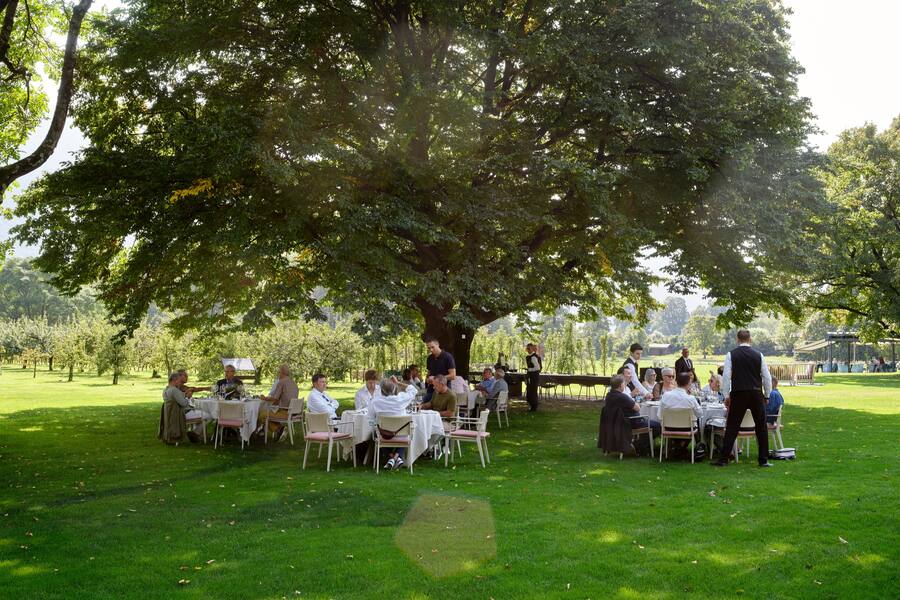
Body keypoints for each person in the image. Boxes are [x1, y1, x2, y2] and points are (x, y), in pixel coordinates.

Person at [713, 329, 773, 467]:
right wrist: (767, 394)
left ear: (737, 340)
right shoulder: (759, 355)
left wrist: (726, 395)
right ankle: (763, 460)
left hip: (739, 393)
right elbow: (766, 377)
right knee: (761, 427)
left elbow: (727, 376)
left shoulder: (731, 355)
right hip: (756, 392)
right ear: (750, 339)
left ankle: (724, 459)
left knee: (732, 426)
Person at [598, 374, 659, 456]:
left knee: (650, 423)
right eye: (624, 383)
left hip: (616, 423)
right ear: (620, 386)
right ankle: (638, 446)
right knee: (657, 426)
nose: (625, 384)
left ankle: (641, 446)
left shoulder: (609, 396)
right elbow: (637, 408)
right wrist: (637, 401)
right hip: (630, 422)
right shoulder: (622, 397)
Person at [371, 377, 419, 470]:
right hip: (402, 435)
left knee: (378, 432)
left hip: (384, 436)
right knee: (407, 432)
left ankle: (391, 458)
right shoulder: (401, 399)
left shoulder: (376, 401)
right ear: (394, 388)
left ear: (381, 390)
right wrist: (398, 382)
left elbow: (370, 418)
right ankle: (397, 457)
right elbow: (413, 390)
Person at [660, 372, 703, 451]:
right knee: (695, 424)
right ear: (689, 383)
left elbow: (659, 415)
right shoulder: (691, 399)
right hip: (686, 429)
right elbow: (700, 414)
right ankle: (681, 448)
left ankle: (677, 447)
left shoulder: (666, 396)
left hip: (668, 428)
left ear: (676, 382)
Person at [258, 364, 300, 438]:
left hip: (285, 412)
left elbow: (275, 398)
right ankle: (280, 429)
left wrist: (264, 398)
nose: (278, 374)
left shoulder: (281, 382)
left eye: (278, 372)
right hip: (294, 412)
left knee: (262, 415)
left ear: (282, 373)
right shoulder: (293, 383)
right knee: (270, 414)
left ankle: (279, 429)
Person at [161, 372, 201, 443]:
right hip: (179, 415)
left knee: (200, 413)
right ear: (174, 380)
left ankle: (195, 433)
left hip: (171, 415)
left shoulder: (166, 390)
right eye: (179, 380)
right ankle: (195, 432)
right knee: (206, 414)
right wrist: (188, 397)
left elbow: (178, 397)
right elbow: (184, 404)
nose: (180, 382)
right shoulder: (174, 390)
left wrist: (185, 394)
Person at [424, 338, 456, 402]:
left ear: (438, 345)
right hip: (431, 391)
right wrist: (427, 379)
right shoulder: (429, 358)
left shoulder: (448, 357)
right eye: (429, 348)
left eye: (432, 347)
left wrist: (436, 379)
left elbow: (453, 376)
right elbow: (429, 374)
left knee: (439, 411)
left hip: (444, 391)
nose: (431, 350)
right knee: (422, 406)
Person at [525, 343, 542, 412]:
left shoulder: (533, 357)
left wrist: (529, 369)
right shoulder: (529, 357)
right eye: (527, 348)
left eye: (529, 348)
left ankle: (534, 407)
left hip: (534, 376)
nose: (528, 350)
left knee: (533, 391)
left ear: (532, 349)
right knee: (530, 391)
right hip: (531, 376)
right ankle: (532, 406)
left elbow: (537, 368)